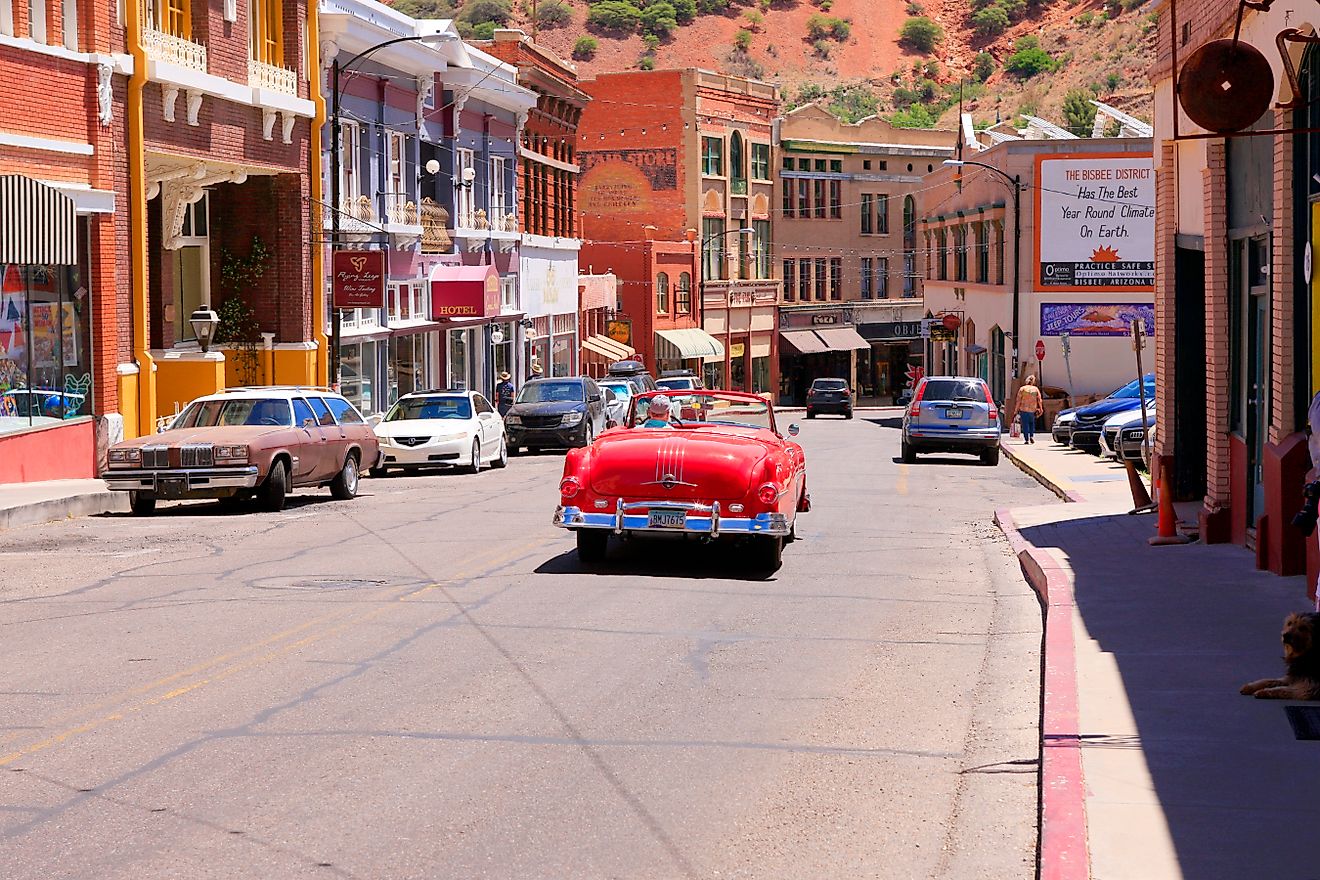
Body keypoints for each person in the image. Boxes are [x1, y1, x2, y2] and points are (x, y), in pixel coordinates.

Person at [1013, 375, 1045, 444]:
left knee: (1025, 425)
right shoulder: (1035, 389)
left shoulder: (1022, 389)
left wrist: (1016, 410)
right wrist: (1041, 408)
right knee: (1031, 423)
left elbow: (1018, 400)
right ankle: (1031, 436)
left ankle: (1026, 439)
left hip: (1023, 409)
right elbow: (1039, 400)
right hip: (1032, 409)